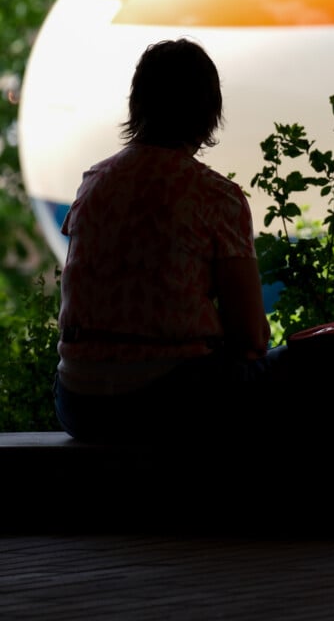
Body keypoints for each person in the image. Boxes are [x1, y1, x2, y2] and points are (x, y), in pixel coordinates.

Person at [54, 38, 280, 443]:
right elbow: (250, 334)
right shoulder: (215, 196)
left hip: (78, 402)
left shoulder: (94, 185)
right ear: (210, 112)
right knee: (316, 366)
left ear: (137, 104)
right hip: (171, 397)